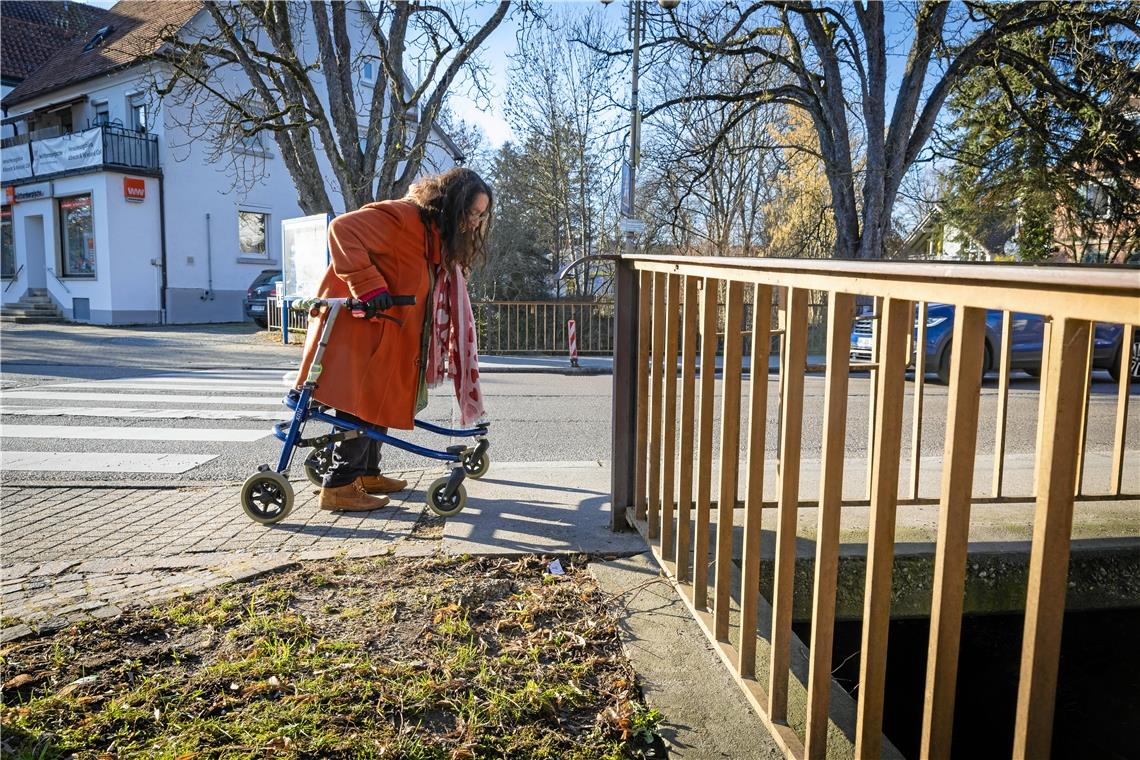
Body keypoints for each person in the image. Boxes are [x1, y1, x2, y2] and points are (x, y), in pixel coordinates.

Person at [294, 168, 493, 512]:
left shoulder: (432, 234)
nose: (475, 222)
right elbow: (342, 229)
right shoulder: (402, 217)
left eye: (481, 215)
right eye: (471, 212)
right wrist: (369, 286)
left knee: (379, 401)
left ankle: (367, 474)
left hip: (387, 333)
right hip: (359, 329)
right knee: (360, 403)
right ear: (451, 205)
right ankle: (339, 486)